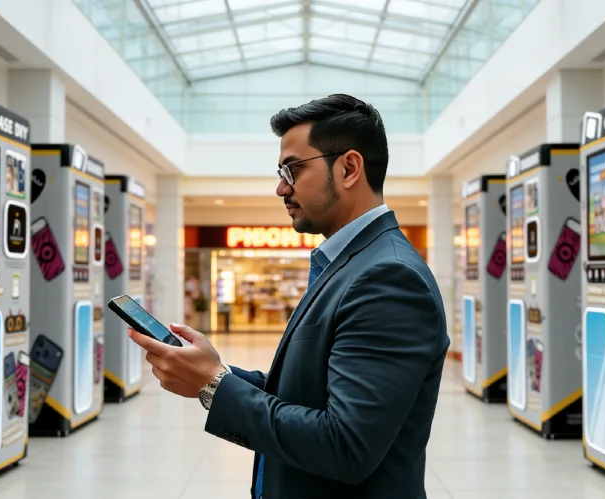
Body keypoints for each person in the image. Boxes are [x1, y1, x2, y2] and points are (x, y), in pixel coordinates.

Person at [127, 94, 449, 498]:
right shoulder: (351, 263)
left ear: (349, 168)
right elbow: (308, 391)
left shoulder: (388, 277)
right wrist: (216, 373)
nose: (281, 187)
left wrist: (214, 386)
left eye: (292, 170)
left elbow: (345, 445)